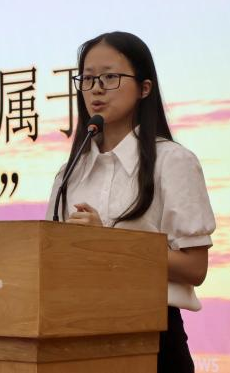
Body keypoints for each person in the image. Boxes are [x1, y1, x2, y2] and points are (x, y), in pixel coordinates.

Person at [45, 31, 216, 373]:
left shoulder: (173, 162)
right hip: (75, 332)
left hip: (152, 338)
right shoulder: (70, 172)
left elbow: (195, 268)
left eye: (110, 77)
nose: (96, 89)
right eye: (88, 79)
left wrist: (108, 243)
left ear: (144, 88)